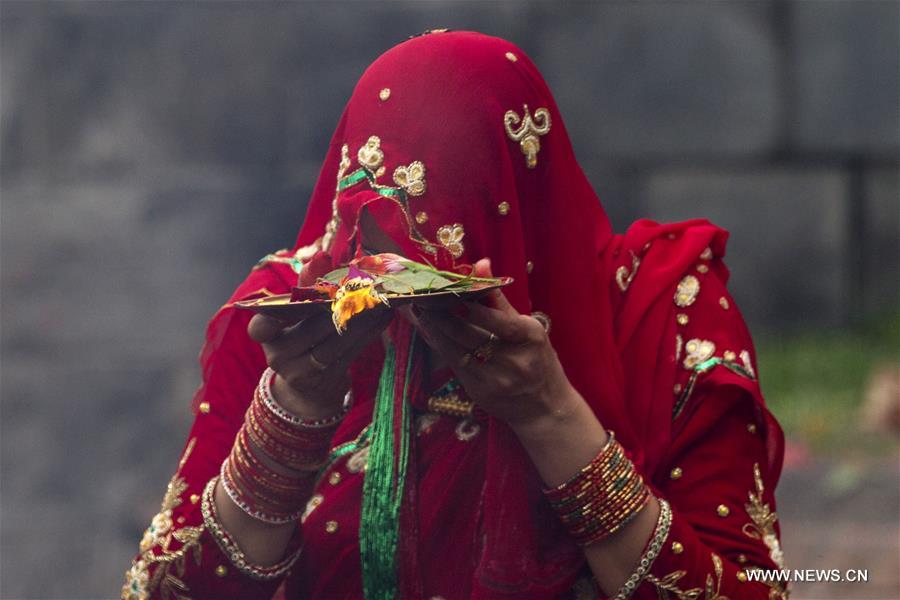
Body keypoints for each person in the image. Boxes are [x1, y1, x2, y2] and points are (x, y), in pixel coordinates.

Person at [123, 30, 787, 600]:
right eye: (371, 239)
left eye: (441, 258)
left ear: (521, 205)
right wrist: (291, 411)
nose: (400, 296)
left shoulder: (663, 314)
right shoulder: (288, 322)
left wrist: (548, 411)